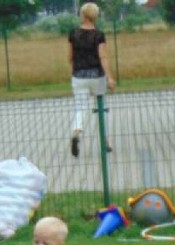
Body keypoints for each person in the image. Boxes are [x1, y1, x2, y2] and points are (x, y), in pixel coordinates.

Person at [68, 2, 116, 158]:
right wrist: (110, 77)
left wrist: (73, 72)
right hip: (97, 76)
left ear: (82, 15)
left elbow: (70, 57)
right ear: (95, 16)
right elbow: (103, 56)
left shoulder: (73, 34)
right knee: (101, 108)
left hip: (79, 76)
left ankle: (76, 132)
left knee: (80, 107)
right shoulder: (99, 35)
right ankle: (105, 141)